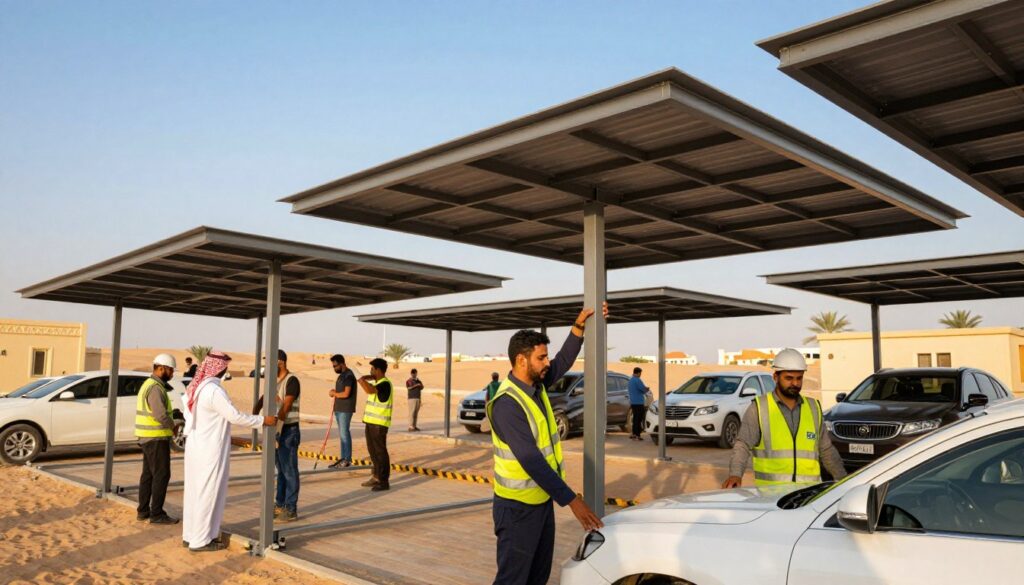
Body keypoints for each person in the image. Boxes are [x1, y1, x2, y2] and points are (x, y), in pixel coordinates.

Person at [488, 304, 607, 585]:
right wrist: (572, 500)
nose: (547, 363)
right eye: (541, 358)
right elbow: (531, 460)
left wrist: (578, 327)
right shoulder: (507, 404)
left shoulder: (536, 386)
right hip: (516, 509)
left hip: (539, 503)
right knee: (513, 580)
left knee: (537, 576)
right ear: (521, 360)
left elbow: (563, 361)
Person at [182, 351, 275, 552]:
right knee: (208, 492)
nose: (226, 369)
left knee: (194, 491)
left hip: (197, 446)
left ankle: (191, 535)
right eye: (225, 366)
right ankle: (200, 540)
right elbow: (234, 416)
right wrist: (262, 421)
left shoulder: (198, 387)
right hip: (210, 449)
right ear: (220, 367)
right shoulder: (214, 391)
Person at [722, 348, 847, 489]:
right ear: (775, 377)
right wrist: (735, 474)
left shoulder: (813, 408)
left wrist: (843, 479)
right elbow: (743, 445)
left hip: (808, 495)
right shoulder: (759, 407)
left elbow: (826, 450)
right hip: (771, 496)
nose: (795, 383)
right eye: (789, 378)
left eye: (799, 378)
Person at [254, 349, 301, 522]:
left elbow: (286, 405)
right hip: (276, 429)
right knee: (281, 470)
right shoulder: (273, 381)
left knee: (289, 471)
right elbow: (264, 398)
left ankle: (291, 508)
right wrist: (254, 414)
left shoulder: (292, 380)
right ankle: (280, 504)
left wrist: (277, 427)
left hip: (288, 431)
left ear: (280, 362)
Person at [135, 353, 179, 525]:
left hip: (148, 437)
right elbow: (160, 414)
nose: (172, 374)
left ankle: (143, 511)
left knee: (148, 475)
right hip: (155, 438)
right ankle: (157, 513)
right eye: (170, 370)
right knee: (161, 475)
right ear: (161, 368)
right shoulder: (155, 387)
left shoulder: (150, 385)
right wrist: (173, 425)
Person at [358, 358, 393, 491]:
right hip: (371, 423)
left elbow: (370, 390)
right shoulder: (378, 382)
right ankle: (376, 476)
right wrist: (367, 377)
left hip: (379, 425)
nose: (370, 371)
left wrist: (361, 380)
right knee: (373, 451)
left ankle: (383, 481)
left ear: (378, 370)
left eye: (372, 369)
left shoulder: (384, 384)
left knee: (380, 452)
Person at [328, 354, 356, 468]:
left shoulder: (349, 375)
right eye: (333, 366)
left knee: (345, 434)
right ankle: (343, 458)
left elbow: (346, 393)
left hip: (345, 409)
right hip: (339, 408)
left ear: (342, 364)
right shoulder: (342, 375)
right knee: (342, 434)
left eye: (335, 366)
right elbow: (341, 391)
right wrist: (334, 391)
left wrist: (334, 394)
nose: (334, 368)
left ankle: (347, 459)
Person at [627, 367, 651, 440]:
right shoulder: (638, 380)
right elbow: (643, 389)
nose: (640, 374)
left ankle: (634, 434)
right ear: (638, 373)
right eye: (640, 373)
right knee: (639, 418)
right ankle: (638, 435)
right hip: (639, 402)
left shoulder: (630, 380)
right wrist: (647, 389)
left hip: (633, 402)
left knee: (635, 418)